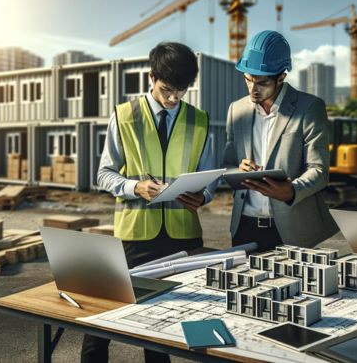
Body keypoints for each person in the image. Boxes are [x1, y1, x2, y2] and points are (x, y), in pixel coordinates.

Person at [90, 42, 217, 363]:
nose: (174, 98)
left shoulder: (199, 120)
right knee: (103, 319)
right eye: (167, 89)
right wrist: (135, 186)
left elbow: (210, 176)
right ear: (151, 77)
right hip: (135, 236)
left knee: (178, 319)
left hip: (185, 235)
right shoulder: (124, 116)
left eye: (182, 91)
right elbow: (103, 174)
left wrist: (204, 195)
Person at [223, 30, 338, 251]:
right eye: (248, 80)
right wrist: (237, 170)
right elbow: (227, 165)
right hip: (244, 227)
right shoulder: (236, 110)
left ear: (281, 77)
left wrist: (292, 190)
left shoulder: (309, 108)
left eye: (262, 83)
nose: (252, 89)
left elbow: (319, 170)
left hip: (291, 229)